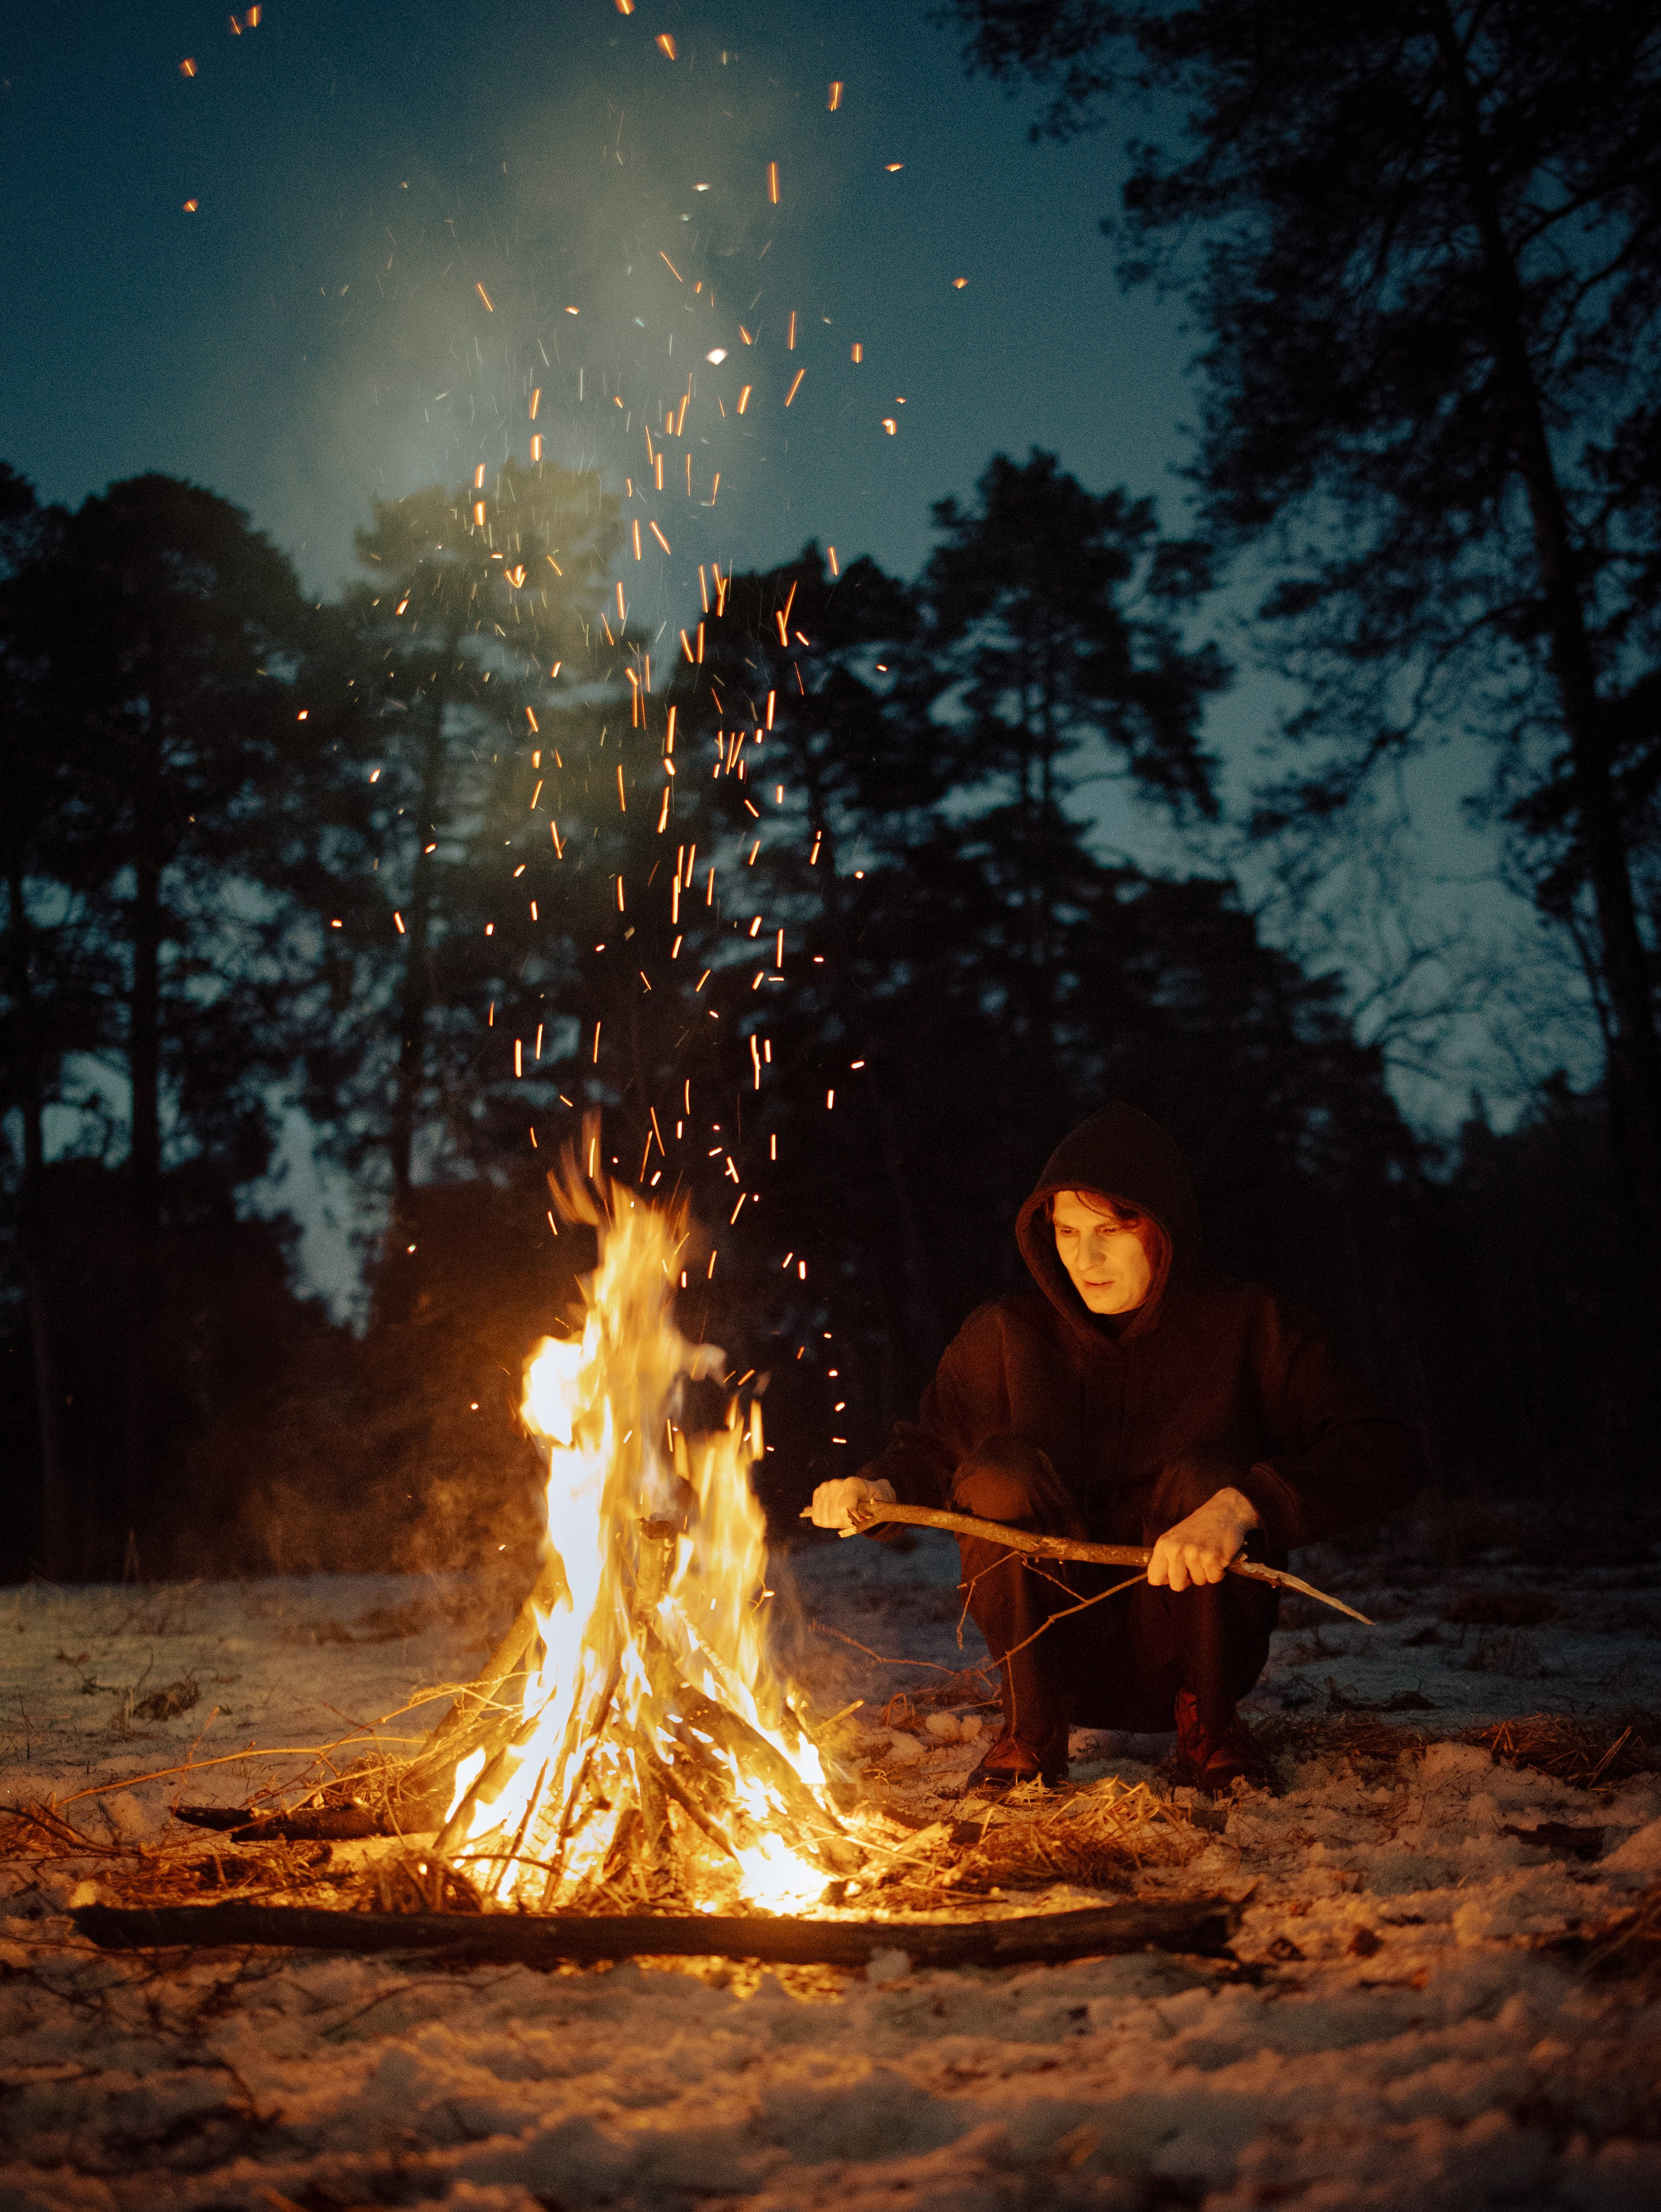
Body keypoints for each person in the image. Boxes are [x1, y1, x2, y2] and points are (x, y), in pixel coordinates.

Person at [808, 1102, 1425, 1793]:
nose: (1084, 1256)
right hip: (1049, 1644)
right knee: (996, 1471)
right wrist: (880, 1492)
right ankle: (1030, 1733)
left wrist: (1249, 1504)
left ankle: (1210, 1726)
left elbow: (1385, 1446)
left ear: (1162, 1231)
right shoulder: (1004, 1336)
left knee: (1208, 1475)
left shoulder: (1250, 1324)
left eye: (1109, 1230)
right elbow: (930, 1451)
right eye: (1067, 1231)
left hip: (1194, 1636)